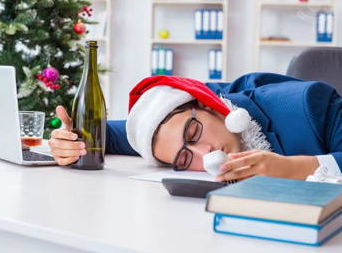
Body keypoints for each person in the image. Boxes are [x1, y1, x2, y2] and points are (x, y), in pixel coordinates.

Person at [48, 73, 342, 181]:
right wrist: (71, 140)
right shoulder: (172, 132)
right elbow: (110, 135)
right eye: (185, 159)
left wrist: (295, 168)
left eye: (194, 134)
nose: (206, 153)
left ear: (210, 107)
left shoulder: (311, 105)